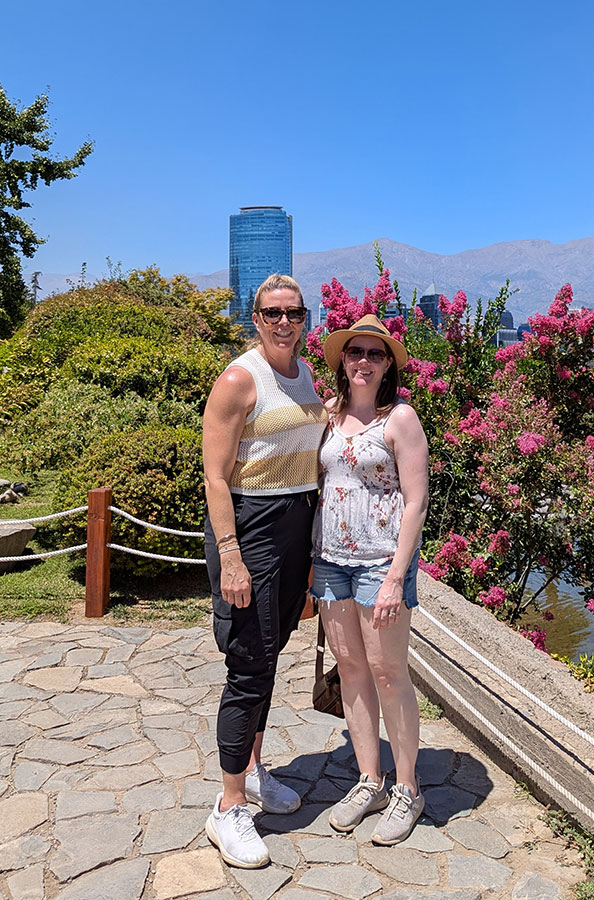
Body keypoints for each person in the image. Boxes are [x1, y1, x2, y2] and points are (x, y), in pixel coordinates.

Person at [202, 274, 327, 868]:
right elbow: (216, 477)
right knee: (248, 666)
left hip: (296, 527)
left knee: (271, 655)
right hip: (251, 529)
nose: (284, 322)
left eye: (294, 312)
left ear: (306, 318)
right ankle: (227, 809)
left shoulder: (304, 376)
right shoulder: (238, 379)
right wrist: (231, 556)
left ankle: (252, 772)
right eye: (273, 313)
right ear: (255, 318)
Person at [312, 314, 429, 845]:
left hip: (381, 562)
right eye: (355, 352)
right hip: (331, 560)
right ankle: (369, 780)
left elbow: (415, 501)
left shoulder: (399, 419)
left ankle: (407, 787)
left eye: (375, 354)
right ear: (343, 359)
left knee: (389, 673)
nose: (363, 361)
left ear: (388, 365)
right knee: (352, 669)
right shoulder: (329, 415)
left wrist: (395, 576)